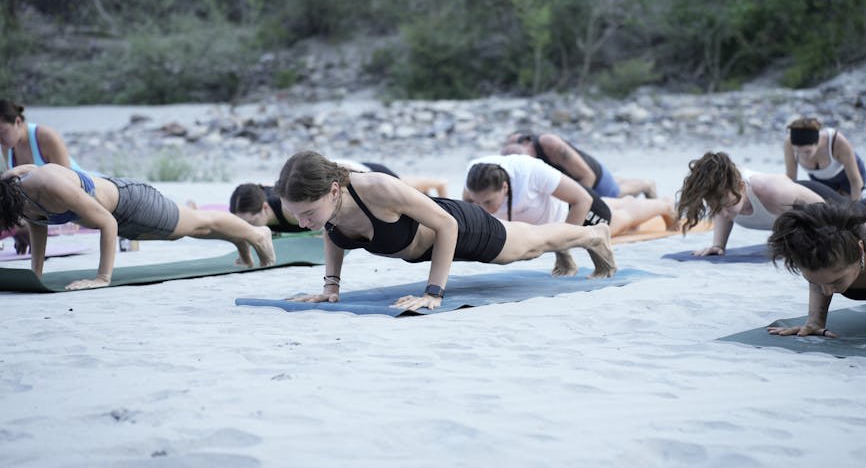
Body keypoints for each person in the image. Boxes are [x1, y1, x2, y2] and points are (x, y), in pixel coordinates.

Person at [274, 151, 616, 312]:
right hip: (433, 241)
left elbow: (446, 224)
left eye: (307, 213)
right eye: (296, 215)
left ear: (334, 190)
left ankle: (594, 236)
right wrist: (331, 286)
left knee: (527, 247)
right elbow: (332, 232)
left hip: (462, 226)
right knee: (530, 239)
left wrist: (434, 293)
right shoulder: (327, 211)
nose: (303, 223)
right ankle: (573, 242)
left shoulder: (377, 189)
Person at [0, 163, 276, 290]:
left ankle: (255, 233)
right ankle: (239, 239)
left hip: (130, 202)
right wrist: (36, 273)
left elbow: (106, 222)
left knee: (193, 223)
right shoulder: (18, 194)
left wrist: (102, 278)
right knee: (192, 230)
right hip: (121, 215)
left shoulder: (46, 184)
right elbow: (38, 225)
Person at [463, 154, 676, 274]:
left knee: (622, 220)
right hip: (549, 215)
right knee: (617, 206)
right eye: (477, 202)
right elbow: (468, 206)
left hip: (573, 210)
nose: (484, 208)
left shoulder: (531, 172)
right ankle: (631, 197)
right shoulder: (474, 177)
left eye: (489, 202)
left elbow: (582, 199)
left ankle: (664, 205)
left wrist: (563, 248)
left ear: (505, 187)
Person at [677, 151, 845, 256]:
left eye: (725, 205)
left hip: (822, 200)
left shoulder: (773, 191)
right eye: (714, 207)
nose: (722, 212)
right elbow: (723, 211)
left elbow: (825, 211)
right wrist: (718, 245)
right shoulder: (724, 194)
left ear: (741, 187)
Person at [228, 160, 447, 233]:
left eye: (252, 223)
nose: (250, 228)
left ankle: (439, 184)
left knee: (408, 192)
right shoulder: (265, 198)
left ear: (265, 209)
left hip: (360, 173)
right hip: (341, 174)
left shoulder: (290, 208)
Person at [767, 201, 866, 338]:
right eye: (815, 281)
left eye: (837, 281)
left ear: (860, 251)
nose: (827, 291)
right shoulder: (826, 252)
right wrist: (815, 322)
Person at [0, 99, 86, 254]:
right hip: (45, 207)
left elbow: (66, 185)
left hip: (79, 195)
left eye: (2, 133)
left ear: (17, 121)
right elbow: (16, 194)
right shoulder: (7, 146)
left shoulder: (46, 137)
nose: (0, 140)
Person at [503, 130, 657, 198]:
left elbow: (587, 176)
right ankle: (616, 179)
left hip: (590, 174)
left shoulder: (550, 144)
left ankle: (646, 184)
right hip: (568, 175)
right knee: (612, 183)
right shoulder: (511, 147)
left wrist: (578, 207)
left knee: (614, 194)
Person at [783, 117, 865, 200]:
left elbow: (855, 182)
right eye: (797, 151)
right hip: (820, 179)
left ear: (818, 142)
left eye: (807, 151)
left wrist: (855, 209)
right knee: (825, 207)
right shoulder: (789, 143)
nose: (803, 156)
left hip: (848, 177)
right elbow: (791, 180)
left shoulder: (837, 142)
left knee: (849, 206)